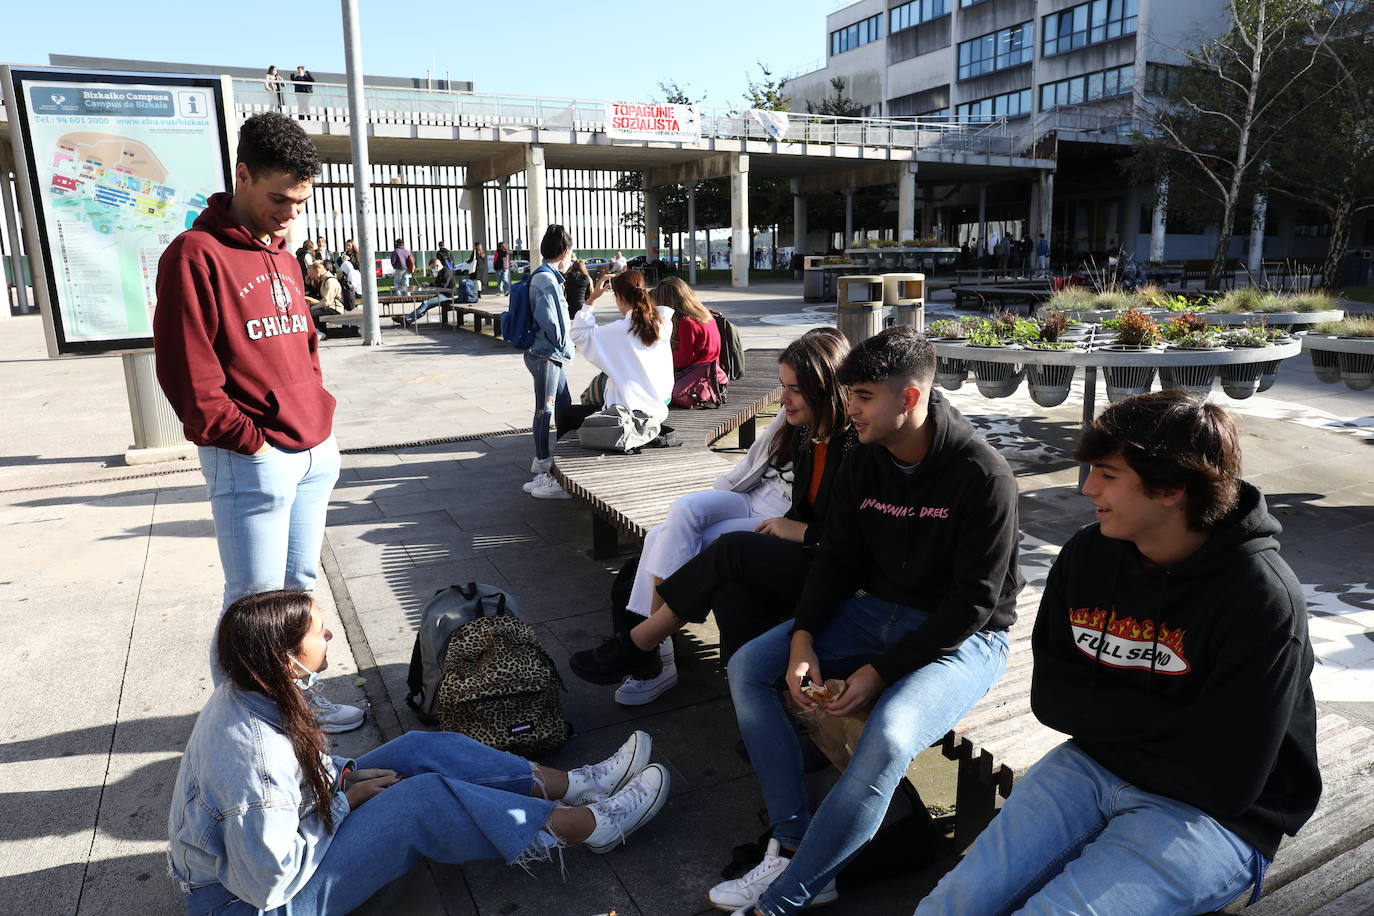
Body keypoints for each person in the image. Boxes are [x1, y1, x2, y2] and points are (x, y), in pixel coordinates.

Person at [915, 392, 1321, 916]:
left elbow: (1229, 781)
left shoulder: (1261, 596)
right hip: (1091, 767)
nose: (1087, 488)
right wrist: (1187, 724)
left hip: (1218, 818)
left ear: (1172, 488)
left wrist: (1108, 714)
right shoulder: (1088, 556)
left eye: (1107, 474)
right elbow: (1052, 701)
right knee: (949, 906)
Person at [708, 326, 1021, 915]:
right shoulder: (863, 460)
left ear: (909, 398)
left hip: (966, 638)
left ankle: (791, 893)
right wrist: (803, 637)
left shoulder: (983, 475)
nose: (849, 408)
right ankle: (794, 836)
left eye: (864, 395)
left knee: (891, 732)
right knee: (750, 665)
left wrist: (878, 673)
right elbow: (836, 559)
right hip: (873, 609)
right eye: (849, 393)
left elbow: (972, 605)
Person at [168, 590, 671, 916]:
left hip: (268, 853)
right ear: (283, 658)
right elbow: (268, 880)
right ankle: (586, 827)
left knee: (418, 748)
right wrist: (345, 801)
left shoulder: (252, 689)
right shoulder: (253, 756)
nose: (328, 634)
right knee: (421, 801)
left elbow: (298, 782)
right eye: (317, 632)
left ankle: (575, 784)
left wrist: (341, 782)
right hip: (245, 904)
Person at [152, 112, 358, 732]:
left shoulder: (284, 256)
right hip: (253, 456)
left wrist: (319, 414)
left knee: (297, 592)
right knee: (251, 604)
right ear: (242, 175)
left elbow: (303, 346)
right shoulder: (195, 254)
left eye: (300, 201)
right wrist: (252, 442)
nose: (290, 213)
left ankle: (298, 700)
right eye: (278, 199)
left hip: (312, 447)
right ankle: (244, 733)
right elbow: (188, 374)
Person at [568, 328, 855, 705]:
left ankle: (644, 645)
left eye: (794, 389)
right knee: (667, 533)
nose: (781, 398)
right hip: (787, 535)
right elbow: (751, 472)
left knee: (722, 552)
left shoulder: (853, 446)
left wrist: (801, 531)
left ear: (826, 389)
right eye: (782, 386)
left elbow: (854, 534)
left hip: (821, 559)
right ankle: (653, 650)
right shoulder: (805, 434)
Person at [555, 267, 673, 437]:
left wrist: (593, 299)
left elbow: (578, 334)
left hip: (627, 416)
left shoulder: (619, 331)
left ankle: (556, 460)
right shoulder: (662, 324)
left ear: (619, 298)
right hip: (658, 410)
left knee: (566, 415)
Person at [521, 225, 577, 500]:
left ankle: (565, 458)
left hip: (551, 354)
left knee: (564, 404)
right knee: (545, 408)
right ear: (564, 252)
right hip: (546, 353)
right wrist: (562, 342)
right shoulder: (546, 280)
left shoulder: (549, 277)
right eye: (572, 251)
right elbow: (549, 320)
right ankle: (542, 460)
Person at [652, 277, 724, 379]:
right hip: (712, 372)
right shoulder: (706, 314)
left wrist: (663, 351)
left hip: (696, 379)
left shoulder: (687, 323)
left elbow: (682, 362)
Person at [392, 258, 457, 326]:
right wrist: (428, 284)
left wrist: (429, 285)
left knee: (425, 303)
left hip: (448, 296)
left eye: (432, 267)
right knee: (425, 306)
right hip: (442, 295)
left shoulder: (447, 272)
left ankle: (407, 319)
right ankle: (408, 320)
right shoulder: (441, 272)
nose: (432, 269)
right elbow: (436, 283)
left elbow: (443, 286)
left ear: (437, 266)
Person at [306, 261, 344, 332]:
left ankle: (318, 331)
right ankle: (318, 330)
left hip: (334, 308)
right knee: (311, 312)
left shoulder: (330, 281)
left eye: (312, 274)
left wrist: (312, 308)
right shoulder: (323, 280)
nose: (310, 277)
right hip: (328, 307)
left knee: (310, 313)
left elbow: (327, 301)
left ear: (318, 271)